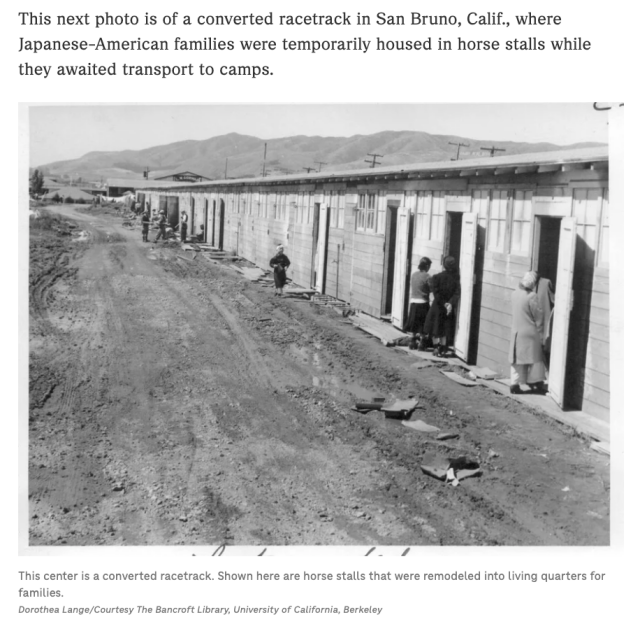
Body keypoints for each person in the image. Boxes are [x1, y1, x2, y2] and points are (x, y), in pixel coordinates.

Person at [509, 271, 546, 394]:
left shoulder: (514, 293)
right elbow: (539, 317)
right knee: (536, 358)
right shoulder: (532, 296)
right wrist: (541, 334)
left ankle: (514, 384)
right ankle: (535, 382)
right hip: (530, 332)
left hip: (516, 331)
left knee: (516, 359)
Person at [423, 255, 460, 357]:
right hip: (448, 308)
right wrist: (450, 303)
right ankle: (443, 349)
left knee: (435, 328)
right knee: (444, 329)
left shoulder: (437, 277)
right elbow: (457, 293)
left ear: (444, 265)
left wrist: (444, 303)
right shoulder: (456, 279)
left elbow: (436, 293)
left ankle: (435, 348)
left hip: (438, 305)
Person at [403, 257, 432, 350]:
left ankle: (412, 341)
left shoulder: (414, 275)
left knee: (414, 322)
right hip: (423, 302)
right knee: (423, 323)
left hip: (413, 302)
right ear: (427, 266)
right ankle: (422, 343)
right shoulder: (427, 276)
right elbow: (431, 289)